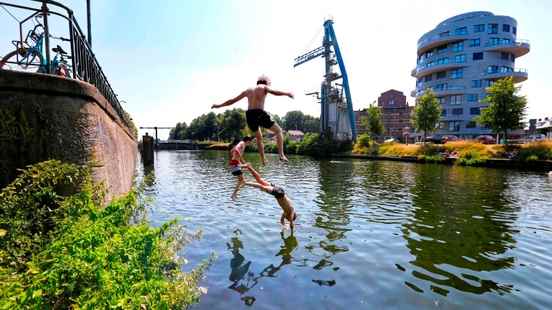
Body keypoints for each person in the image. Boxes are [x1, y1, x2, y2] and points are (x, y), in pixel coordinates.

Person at [212, 75, 294, 165]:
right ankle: (281, 155)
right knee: (278, 131)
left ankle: (263, 159)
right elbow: (274, 92)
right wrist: (287, 93)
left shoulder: (248, 90)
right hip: (259, 113)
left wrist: (218, 105)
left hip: (249, 115)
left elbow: (232, 100)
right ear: (265, 83)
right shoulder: (264, 87)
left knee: (259, 138)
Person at [243, 165, 297, 230]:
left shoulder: (285, 212)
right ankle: (245, 182)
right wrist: (291, 227)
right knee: (261, 187)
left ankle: (249, 167)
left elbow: (281, 220)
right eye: (288, 219)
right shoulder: (291, 210)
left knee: (260, 180)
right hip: (278, 193)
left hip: (278, 190)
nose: (287, 219)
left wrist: (284, 226)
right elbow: (291, 219)